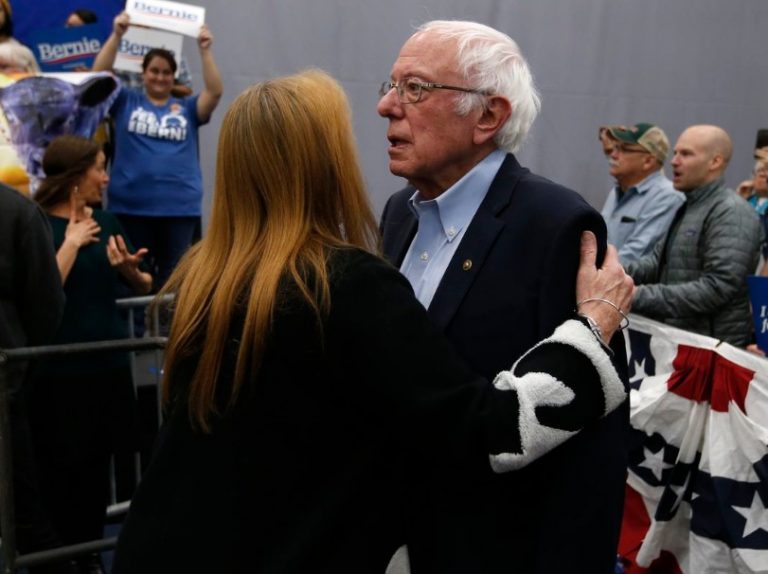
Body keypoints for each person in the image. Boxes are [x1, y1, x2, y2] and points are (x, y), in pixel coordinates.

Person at [110, 70, 633, 574]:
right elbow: (488, 427)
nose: (386, 109)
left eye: (416, 88)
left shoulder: (206, 276)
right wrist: (591, 329)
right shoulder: (342, 283)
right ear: (322, 164)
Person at [378, 21, 630, 574]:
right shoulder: (400, 212)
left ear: (488, 117)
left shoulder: (558, 225)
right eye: (390, 86)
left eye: (414, 89)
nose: (386, 107)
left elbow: (588, 436)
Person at [31, 135, 151, 574]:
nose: (105, 177)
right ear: (75, 176)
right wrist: (71, 242)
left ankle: (89, 557)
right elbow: (40, 296)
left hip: (107, 373)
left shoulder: (109, 221)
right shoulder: (38, 224)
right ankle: (61, 560)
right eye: (99, 168)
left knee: (98, 476)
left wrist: (131, 274)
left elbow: (144, 286)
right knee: (58, 478)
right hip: (57, 379)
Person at [92, 11, 222, 291]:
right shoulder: (125, 101)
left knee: (176, 282)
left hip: (178, 209)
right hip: (130, 208)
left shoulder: (187, 108)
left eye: (166, 72)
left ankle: (172, 334)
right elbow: (98, 77)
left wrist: (205, 51)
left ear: (174, 76)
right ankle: (137, 335)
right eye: (154, 71)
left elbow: (214, 92)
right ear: (144, 74)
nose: (160, 77)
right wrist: (116, 36)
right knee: (131, 277)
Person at [627, 125, 763, 347]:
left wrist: (635, 295)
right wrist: (612, 274)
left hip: (714, 355)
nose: (674, 161)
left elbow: (718, 287)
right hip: (682, 345)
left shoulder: (732, 212)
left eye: (686, 154)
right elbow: (657, 263)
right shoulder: (689, 205)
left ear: (715, 162)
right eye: (675, 153)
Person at [0, 183, 71, 573]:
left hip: (6, 393)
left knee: (26, 519)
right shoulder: (18, 213)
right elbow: (45, 309)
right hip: (6, 392)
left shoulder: (19, 214)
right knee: (27, 521)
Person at [600, 123, 685, 264]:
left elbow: (634, 256)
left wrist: (590, 273)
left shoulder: (668, 197)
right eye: (615, 147)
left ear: (648, 161)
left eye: (624, 149)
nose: (613, 155)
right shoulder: (617, 191)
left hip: (631, 284)